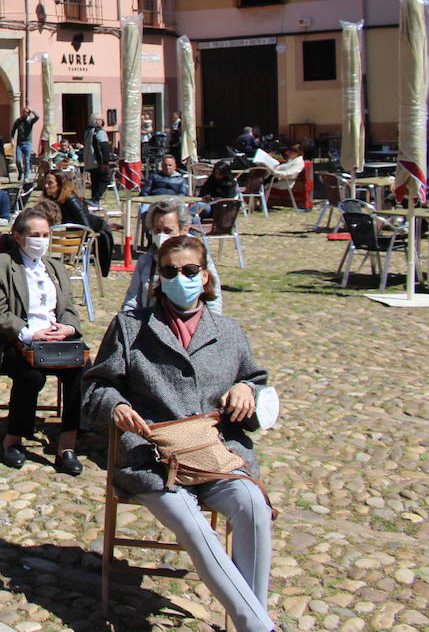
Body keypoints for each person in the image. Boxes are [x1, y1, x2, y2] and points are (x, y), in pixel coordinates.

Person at [83, 235, 274, 632]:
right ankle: (258, 627)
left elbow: (255, 379)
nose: (180, 278)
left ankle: (252, 618)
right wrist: (116, 406)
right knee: (192, 523)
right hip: (154, 458)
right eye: (171, 271)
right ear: (158, 277)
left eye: (190, 271)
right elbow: (96, 387)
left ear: (204, 277)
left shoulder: (229, 331)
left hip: (217, 453)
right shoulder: (130, 328)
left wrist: (247, 389)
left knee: (253, 505)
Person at [0, 208, 85, 475]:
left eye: (46, 234)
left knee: (80, 371)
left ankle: (67, 444)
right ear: (19, 237)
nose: (42, 240)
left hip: (53, 339)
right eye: (35, 235)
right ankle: (13, 438)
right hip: (13, 340)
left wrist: (67, 328)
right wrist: (28, 333)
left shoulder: (56, 267)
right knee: (31, 376)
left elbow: (69, 307)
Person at [122, 198, 223, 315]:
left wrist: (213, 327)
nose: (161, 235)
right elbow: (132, 301)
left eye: (168, 230)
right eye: (157, 230)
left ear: (184, 230)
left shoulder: (199, 257)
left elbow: (213, 299)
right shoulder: (145, 261)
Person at [41, 169, 114, 278]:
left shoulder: (71, 199)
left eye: (50, 183)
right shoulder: (51, 199)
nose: (46, 186)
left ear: (60, 185)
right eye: (45, 182)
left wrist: (71, 242)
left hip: (93, 233)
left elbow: (85, 225)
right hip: (69, 235)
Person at [80, 115, 114, 203]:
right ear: (96, 121)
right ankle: (96, 198)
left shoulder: (87, 132)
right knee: (105, 179)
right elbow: (104, 146)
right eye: (100, 120)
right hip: (98, 161)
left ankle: (94, 199)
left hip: (89, 161)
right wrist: (105, 161)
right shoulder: (99, 131)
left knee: (95, 181)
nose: (102, 122)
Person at [10, 107, 40, 181]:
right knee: (18, 161)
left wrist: (32, 110)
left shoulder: (30, 121)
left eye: (26, 112)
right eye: (23, 112)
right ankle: (20, 172)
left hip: (28, 144)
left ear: (28, 113)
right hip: (19, 144)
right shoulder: (18, 121)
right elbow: (13, 131)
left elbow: (38, 116)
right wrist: (12, 140)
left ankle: (26, 177)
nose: (24, 114)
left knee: (27, 161)